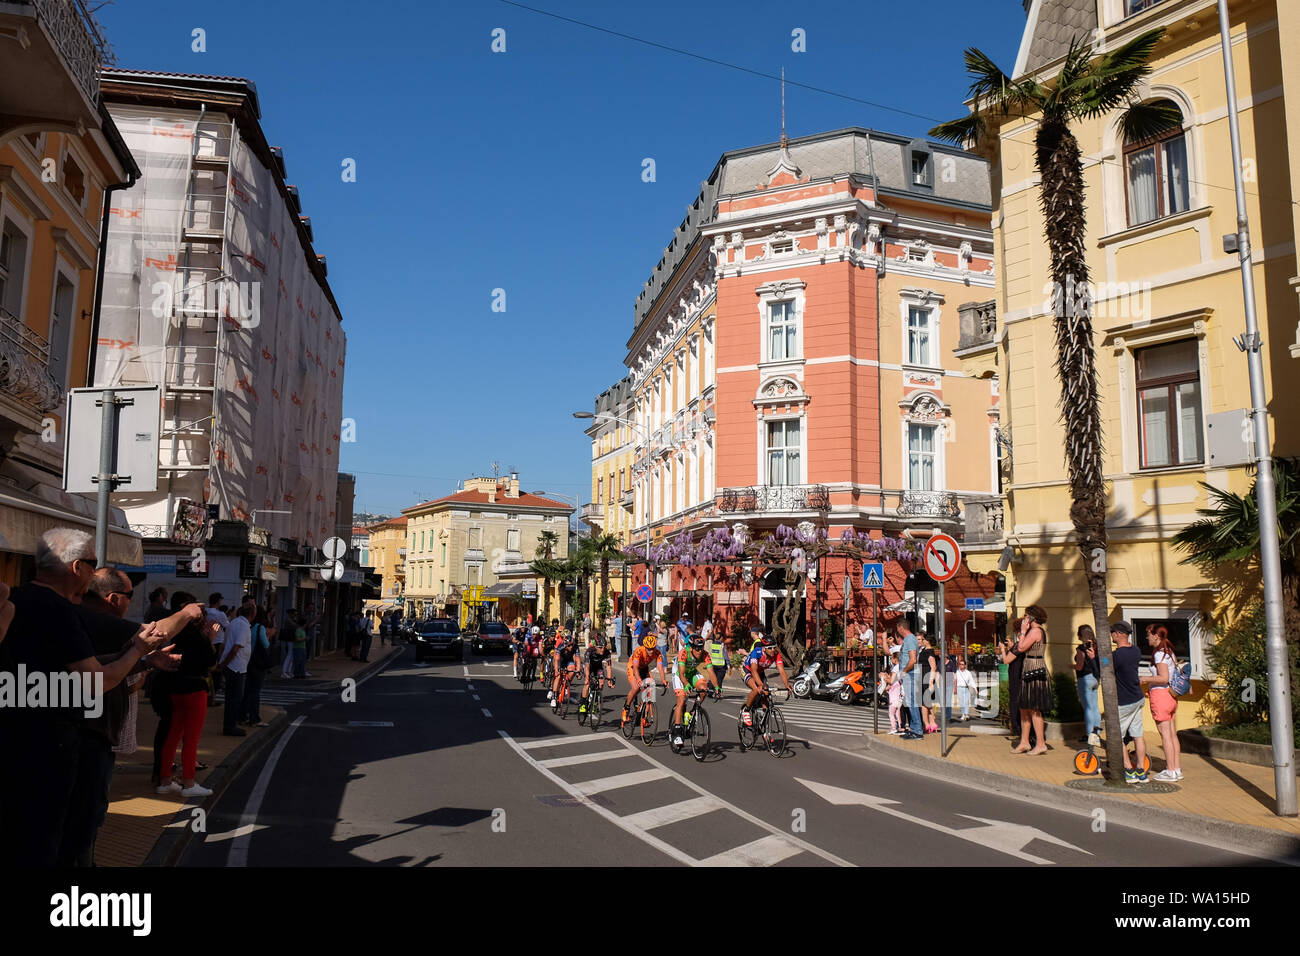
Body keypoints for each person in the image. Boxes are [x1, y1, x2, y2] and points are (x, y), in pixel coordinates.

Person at [0, 529, 177, 867]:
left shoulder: (16, 602)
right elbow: (96, 681)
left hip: (10, 736)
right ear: (77, 567)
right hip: (48, 744)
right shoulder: (60, 611)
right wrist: (139, 649)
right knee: (44, 841)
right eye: (94, 565)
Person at [156, 590, 221, 798]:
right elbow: (211, 664)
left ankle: (166, 780)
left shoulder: (175, 632)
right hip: (195, 689)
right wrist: (211, 639)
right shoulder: (199, 637)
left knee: (173, 734)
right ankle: (189, 782)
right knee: (191, 738)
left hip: (175, 687)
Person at [1109, 621, 1149, 784]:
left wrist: (1095, 658)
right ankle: (1141, 770)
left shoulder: (1117, 656)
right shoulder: (1136, 650)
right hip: (1137, 698)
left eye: (1112, 633)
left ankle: (1129, 770)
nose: (1111, 635)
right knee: (1138, 735)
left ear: (1119, 634)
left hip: (1124, 701)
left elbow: (1105, 666)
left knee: (1116, 736)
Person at [1141, 624, 1183, 782]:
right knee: (1172, 734)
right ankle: (1176, 769)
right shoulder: (1169, 652)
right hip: (1171, 695)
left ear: (1156, 636)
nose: (1147, 638)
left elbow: (1163, 677)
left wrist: (1145, 679)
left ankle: (1170, 770)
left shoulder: (1159, 654)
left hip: (1161, 695)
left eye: (1149, 635)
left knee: (1165, 735)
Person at [1011, 606, 1051, 755]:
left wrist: (1022, 631)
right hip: (1030, 669)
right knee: (1024, 707)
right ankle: (1024, 742)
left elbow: (1021, 647)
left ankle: (1040, 743)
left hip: (1035, 669)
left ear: (1033, 617)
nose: (1024, 618)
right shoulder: (1035, 631)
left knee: (1034, 708)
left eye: (1026, 616)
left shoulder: (1035, 631)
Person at [671, 633, 718, 746]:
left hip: (692, 672)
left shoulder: (705, 654)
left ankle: (693, 712)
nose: (699, 651)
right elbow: (681, 674)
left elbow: (711, 672)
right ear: (691, 648)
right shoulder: (683, 653)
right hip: (679, 674)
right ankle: (677, 733)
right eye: (697, 648)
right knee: (681, 699)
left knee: (704, 689)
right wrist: (686, 684)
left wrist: (717, 687)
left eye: (701, 648)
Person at [740, 634, 791, 727]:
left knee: (766, 696)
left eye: (774, 647)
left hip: (760, 673)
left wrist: (787, 686)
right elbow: (754, 671)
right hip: (748, 670)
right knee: (757, 689)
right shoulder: (756, 652)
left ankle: (764, 728)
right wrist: (761, 685)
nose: (773, 650)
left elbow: (782, 671)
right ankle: (746, 710)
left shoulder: (776, 655)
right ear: (764, 648)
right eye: (770, 648)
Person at [622, 634, 668, 727]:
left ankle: (644, 717)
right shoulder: (639, 651)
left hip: (644, 668)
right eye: (648, 649)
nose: (651, 651)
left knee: (650, 692)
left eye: (653, 648)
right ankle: (626, 708)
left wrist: (664, 680)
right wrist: (638, 679)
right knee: (635, 688)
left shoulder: (657, 653)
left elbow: (660, 667)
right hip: (633, 668)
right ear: (645, 647)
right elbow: (635, 667)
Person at [241, 607, 274, 727]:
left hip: (248, 661)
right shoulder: (260, 628)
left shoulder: (249, 626)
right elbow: (266, 644)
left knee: (247, 690)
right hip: (258, 663)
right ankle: (254, 718)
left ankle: (243, 715)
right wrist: (269, 635)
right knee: (255, 691)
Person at [1074, 625, 1101, 748]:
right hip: (1096, 678)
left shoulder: (1081, 648)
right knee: (1095, 707)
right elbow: (1105, 661)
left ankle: (1090, 735)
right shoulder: (1098, 646)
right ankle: (1097, 733)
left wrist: (1071, 666)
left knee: (1088, 708)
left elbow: (1079, 666)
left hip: (1085, 678)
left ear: (1080, 635)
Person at [895, 620, 923, 740]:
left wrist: (904, 671)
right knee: (910, 703)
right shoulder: (909, 640)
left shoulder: (910, 639)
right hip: (908, 674)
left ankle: (917, 731)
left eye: (897, 629)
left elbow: (912, 659)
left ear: (901, 628)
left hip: (910, 674)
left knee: (912, 703)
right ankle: (913, 728)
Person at [578, 634, 614, 716]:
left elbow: (608, 667)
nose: (603, 649)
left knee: (601, 683)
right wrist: (587, 678)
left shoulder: (607, 653)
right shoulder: (589, 651)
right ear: (596, 647)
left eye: (604, 647)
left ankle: (595, 703)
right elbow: (586, 667)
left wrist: (609, 680)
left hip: (598, 667)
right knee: (587, 684)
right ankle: (583, 703)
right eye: (600, 647)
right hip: (589, 667)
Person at [548, 625, 580, 711]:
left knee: (572, 669)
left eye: (572, 645)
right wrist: (556, 670)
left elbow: (577, 659)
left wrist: (578, 670)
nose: (571, 647)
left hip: (568, 660)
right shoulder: (560, 645)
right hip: (560, 660)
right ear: (566, 645)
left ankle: (566, 685)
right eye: (569, 646)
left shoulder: (575, 647)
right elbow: (556, 659)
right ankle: (554, 696)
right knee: (558, 676)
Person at [917, 634, 937, 733]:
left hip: (926, 678)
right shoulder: (924, 650)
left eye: (924, 639)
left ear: (928, 641)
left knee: (927, 702)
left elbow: (933, 667)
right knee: (923, 703)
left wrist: (930, 682)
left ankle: (931, 722)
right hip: (922, 677)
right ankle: (927, 724)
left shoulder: (929, 652)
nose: (922, 640)